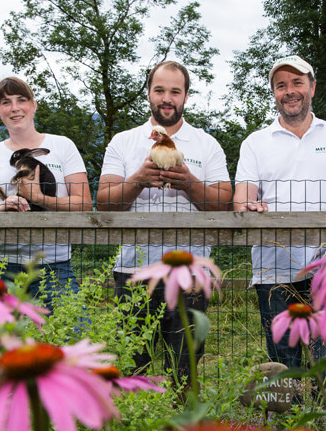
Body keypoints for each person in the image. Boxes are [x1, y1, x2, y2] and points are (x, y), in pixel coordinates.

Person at [96, 60, 232, 381]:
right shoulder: (124, 142)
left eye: (175, 91)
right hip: (134, 270)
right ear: (148, 94)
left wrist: (188, 182)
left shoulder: (206, 144)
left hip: (191, 273)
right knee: (133, 366)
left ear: (186, 96)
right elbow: (104, 202)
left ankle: (180, 420)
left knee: (184, 369)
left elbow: (224, 203)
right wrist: (138, 179)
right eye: (159, 90)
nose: (166, 98)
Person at [234, 55, 326, 368]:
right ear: (274, 93)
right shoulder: (255, 142)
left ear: (312, 88)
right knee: (284, 365)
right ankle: (290, 418)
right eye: (281, 85)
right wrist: (249, 205)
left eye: (297, 83)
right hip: (274, 269)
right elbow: (241, 200)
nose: (289, 91)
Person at [0, 77, 91, 306]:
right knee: (0, 339)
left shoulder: (62, 146)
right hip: (1, 266)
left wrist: (38, 198)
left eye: (21, 100)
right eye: (6, 102)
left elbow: (84, 204)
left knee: (71, 334)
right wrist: (3, 207)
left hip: (55, 265)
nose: (14, 108)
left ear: (34, 105)